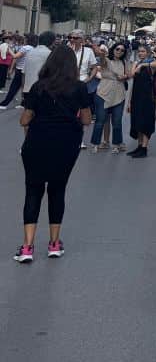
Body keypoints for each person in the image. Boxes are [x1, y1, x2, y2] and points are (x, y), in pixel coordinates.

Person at [14, 45, 94, 263]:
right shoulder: (79, 88)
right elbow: (87, 119)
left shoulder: (39, 87)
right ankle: (54, 244)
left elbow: (24, 119)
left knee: (33, 191)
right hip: (66, 144)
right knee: (57, 191)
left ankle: (28, 247)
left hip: (38, 142)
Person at [92, 41, 130, 153]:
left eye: (122, 50)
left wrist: (125, 76)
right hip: (103, 93)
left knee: (117, 121)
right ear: (113, 49)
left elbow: (128, 74)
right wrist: (101, 53)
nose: (119, 51)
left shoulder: (124, 62)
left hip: (119, 94)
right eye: (117, 49)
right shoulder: (107, 60)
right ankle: (95, 143)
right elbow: (103, 60)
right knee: (100, 120)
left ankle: (117, 144)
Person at [126, 44, 156, 157]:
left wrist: (142, 65)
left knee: (145, 123)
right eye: (139, 51)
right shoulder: (136, 63)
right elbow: (131, 76)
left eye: (143, 51)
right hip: (136, 97)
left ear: (148, 53)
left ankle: (144, 148)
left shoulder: (151, 64)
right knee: (137, 122)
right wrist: (129, 101)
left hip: (147, 98)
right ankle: (139, 146)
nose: (140, 53)